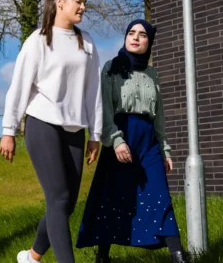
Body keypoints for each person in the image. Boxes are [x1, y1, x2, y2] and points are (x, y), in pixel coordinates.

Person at [0, 0, 103, 263]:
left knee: (66, 204)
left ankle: (32, 257)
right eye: (78, 1)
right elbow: (19, 87)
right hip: (42, 123)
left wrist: (96, 133)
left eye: (84, 1)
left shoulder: (88, 42)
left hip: (75, 129)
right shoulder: (38, 40)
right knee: (58, 198)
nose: (83, 6)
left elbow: (93, 91)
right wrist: (8, 130)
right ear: (60, 2)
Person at [76, 20, 191, 263]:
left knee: (160, 194)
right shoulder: (111, 68)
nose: (135, 38)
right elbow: (104, 109)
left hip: (148, 142)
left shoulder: (153, 74)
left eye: (142, 35)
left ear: (149, 42)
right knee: (113, 196)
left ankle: (178, 255)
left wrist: (165, 148)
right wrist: (116, 140)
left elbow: (159, 115)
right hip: (121, 136)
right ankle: (102, 256)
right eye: (131, 33)